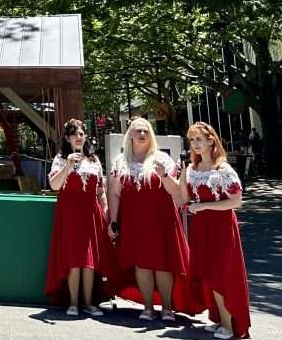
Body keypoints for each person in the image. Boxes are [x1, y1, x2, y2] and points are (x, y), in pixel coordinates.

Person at [108, 117, 198, 322]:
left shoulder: (161, 159)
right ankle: (148, 307)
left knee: (163, 264)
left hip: (161, 219)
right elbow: (114, 193)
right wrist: (113, 220)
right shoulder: (120, 162)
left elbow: (175, 191)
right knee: (142, 264)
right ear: (129, 134)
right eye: (138, 131)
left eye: (146, 131)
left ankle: (167, 308)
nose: (142, 134)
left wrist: (164, 175)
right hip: (134, 220)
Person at [181, 122, 251, 340]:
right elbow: (186, 200)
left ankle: (229, 326)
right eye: (191, 140)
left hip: (221, 226)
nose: (194, 145)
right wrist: (182, 175)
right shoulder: (193, 168)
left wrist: (205, 206)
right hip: (202, 226)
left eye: (198, 139)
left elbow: (236, 201)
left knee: (220, 273)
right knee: (208, 272)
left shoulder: (223, 169)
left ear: (211, 140)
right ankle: (220, 319)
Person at [45, 119, 114, 316]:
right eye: (74, 134)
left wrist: (107, 212)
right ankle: (73, 303)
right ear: (67, 138)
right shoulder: (60, 159)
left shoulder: (94, 161)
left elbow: (101, 190)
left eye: (81, 134)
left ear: (85, 138)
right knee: (74, 259)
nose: (78, 137)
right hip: (69, 214)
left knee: (89, 260)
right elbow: (55, 186)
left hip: (90, 213)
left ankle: (89, 302)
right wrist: (67, 165)